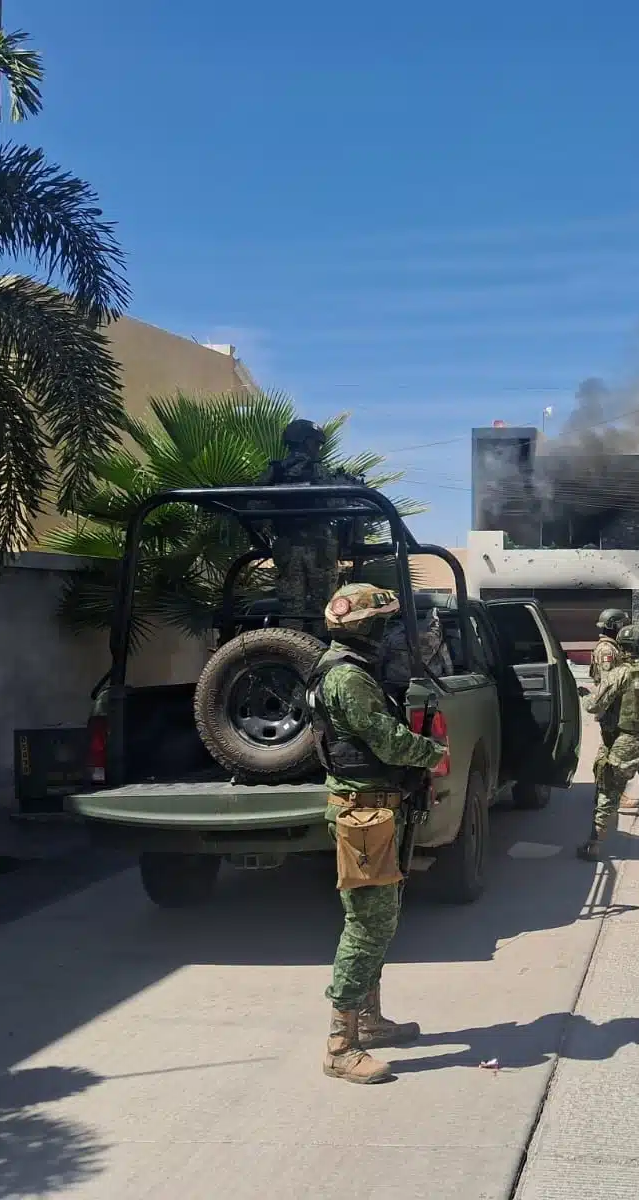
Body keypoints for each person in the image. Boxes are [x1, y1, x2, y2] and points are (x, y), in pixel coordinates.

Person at [307, 582, 449, 1084]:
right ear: (368, 627)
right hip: (362, 811)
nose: (389, 634)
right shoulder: (349, 677)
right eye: (384, 624)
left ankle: (368, 1019)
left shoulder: (347, 670)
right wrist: (432, 753)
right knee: (368, 926)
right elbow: (386, 742)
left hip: (375, 809)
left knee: (379, 919)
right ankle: (340, 1045)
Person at [579, 624, 639, 867]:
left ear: (627, 649)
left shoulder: (621, 673)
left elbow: (594, 705)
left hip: (626, 742)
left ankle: (594, 845)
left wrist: (582, 695)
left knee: (608, 791)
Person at [260, 419, 351, 635]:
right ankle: (319, 654)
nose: (317, 449)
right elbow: (336, 503)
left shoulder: (274, 473)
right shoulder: (318, 472)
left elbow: (256, 509)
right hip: (318, 549)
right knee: (323, 611)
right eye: (315, 444)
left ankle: (293, 654)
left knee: (291, 613)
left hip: (287, 548)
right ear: (305, 442)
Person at [588, 609, 638, 815]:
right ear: (615, 626)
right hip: (612, 708)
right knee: (613, 752)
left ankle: (604, 791)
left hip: (614, 707)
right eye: (622, 625)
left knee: (609, 750)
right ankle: (611, 794)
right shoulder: (607, 650)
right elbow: (609, 682)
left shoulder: (611, 647)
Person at [379, 603, 453, 703]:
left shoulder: (390, 633)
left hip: (394, 683)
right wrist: (449, 680)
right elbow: (446, 661)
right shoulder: (435, 637)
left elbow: (381, 658)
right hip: (430, 683)